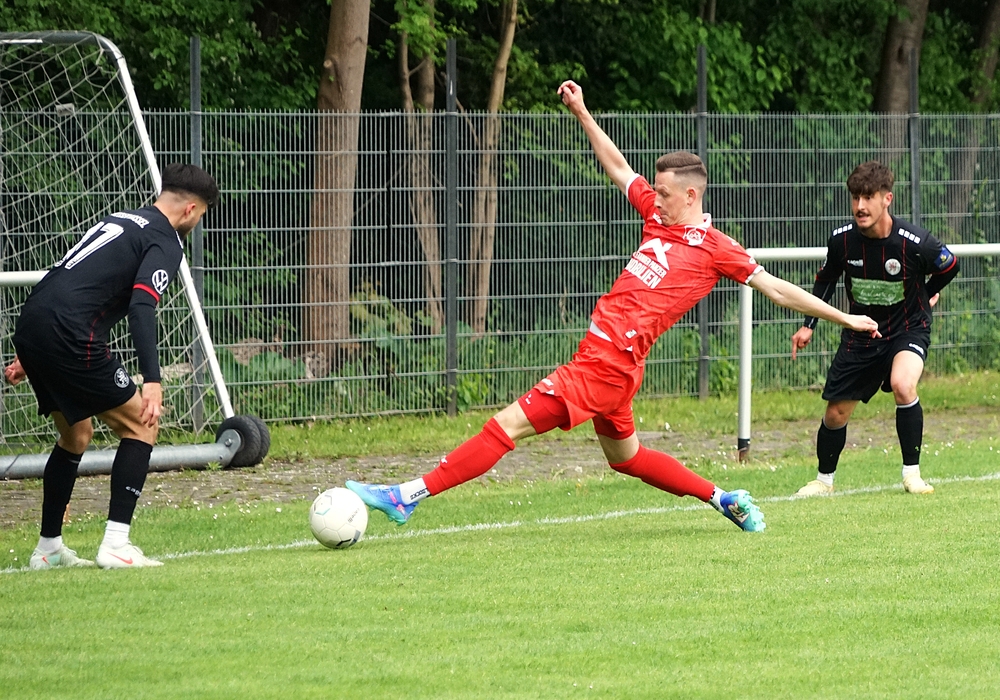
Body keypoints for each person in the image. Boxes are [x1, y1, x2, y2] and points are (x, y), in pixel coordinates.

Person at [347, 80, 879, 532]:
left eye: (665, 193)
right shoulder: (658, 217)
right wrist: (582, 111)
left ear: (691, 196)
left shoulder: (717, 248)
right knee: (628, 459)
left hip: (605, 365)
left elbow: (777, 288)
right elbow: (620, 168)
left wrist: (845, 317)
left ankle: (406, 496)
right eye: (656, 192)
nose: (656, 198)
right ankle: (724, 498)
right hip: (614, 363)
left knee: (504, 426)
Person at [4, 163, 219, 570]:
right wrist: (152, 380)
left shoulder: (120, 219)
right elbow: (142, 305)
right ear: (191, 209)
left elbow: (67, 275)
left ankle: (48, 550)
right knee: (141, 424)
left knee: (77, 434)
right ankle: (117, 544)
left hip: (34, 322)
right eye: (202, 214)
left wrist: (33, 350)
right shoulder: (165, 239)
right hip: (70, 333)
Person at [790, 160, 959, 497]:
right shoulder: (842, 241)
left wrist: (924, 296)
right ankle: (823, 481)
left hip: (908, 328)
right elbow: (825, 281)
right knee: (836, 413)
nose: (860, 206)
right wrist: (808, 325)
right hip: (862, 334)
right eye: (855, 197)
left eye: (868, 197)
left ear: (887, 199)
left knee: (903, 385)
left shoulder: (915, 242)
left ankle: (912, 475)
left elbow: (950, 264)